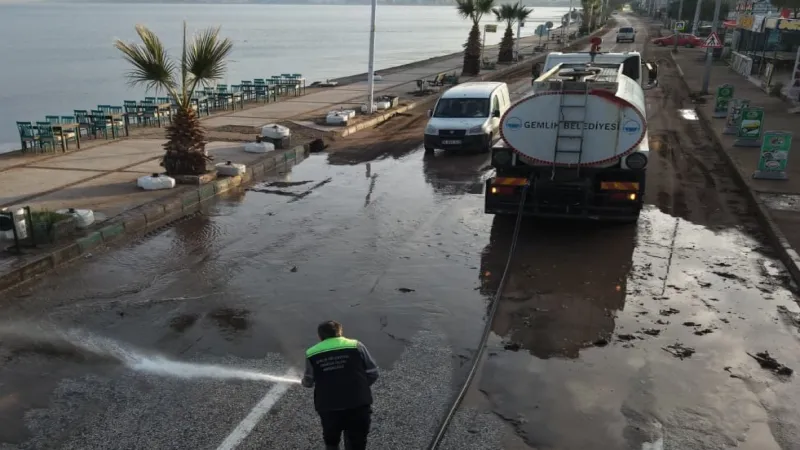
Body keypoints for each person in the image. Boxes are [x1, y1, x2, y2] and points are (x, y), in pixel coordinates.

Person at [302, 320, 379, 450]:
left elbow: (308, 382)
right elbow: (373, 372)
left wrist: (304, 381)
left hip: (329, 406)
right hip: (358, 404)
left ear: (320, 336)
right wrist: (360, 387)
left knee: (331, 442)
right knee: (357, 442)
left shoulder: (312, 353)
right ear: (340, 332)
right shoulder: (356, 346)